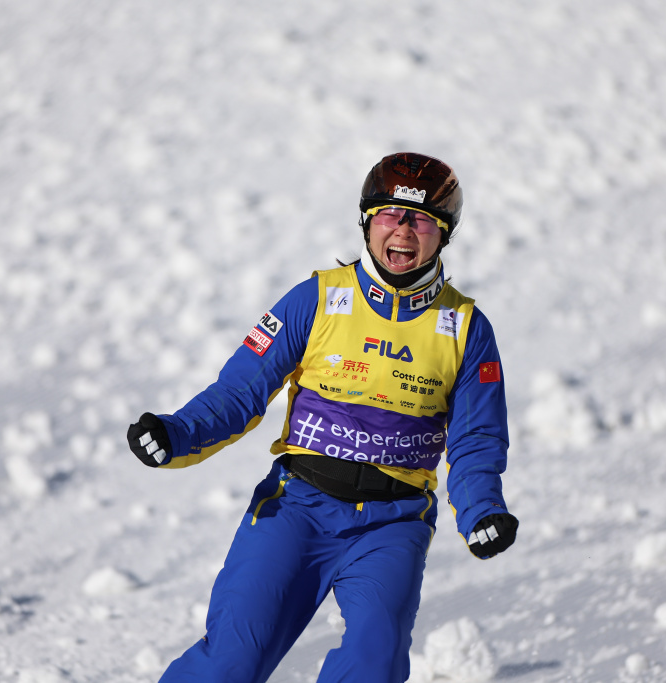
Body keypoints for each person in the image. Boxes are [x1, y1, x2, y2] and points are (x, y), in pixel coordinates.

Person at [127, 152, 518, 683]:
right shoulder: (317, 299)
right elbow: (240, 392)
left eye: (423, 220)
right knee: (232, 659)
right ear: (366, 221)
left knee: (375, 662)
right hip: (297, 507)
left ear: (444, 235)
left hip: (393, 523)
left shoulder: (465, 328)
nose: (403, 230)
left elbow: (476, 439)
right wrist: (175, 434)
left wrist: (481, 511)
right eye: (389, 214)